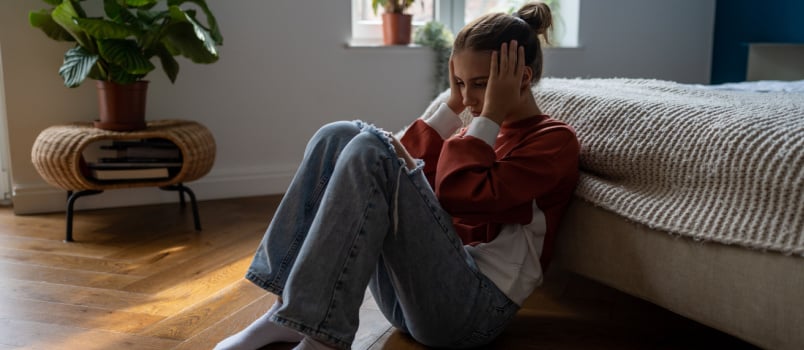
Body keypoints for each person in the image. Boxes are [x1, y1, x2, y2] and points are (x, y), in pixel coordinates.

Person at [214, 2, 579, 349]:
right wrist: (451, 107)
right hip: (410, 301)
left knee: (371, 147)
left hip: (473, 313)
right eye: (461, 84)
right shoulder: (474, 137)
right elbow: (403, 175)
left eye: (481, 84)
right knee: (340, 135)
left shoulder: (552, 142)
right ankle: (287, 309)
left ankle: (323, 337)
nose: (468, 99)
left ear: (522, 77)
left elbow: (462, 197)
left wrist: (487, 119)